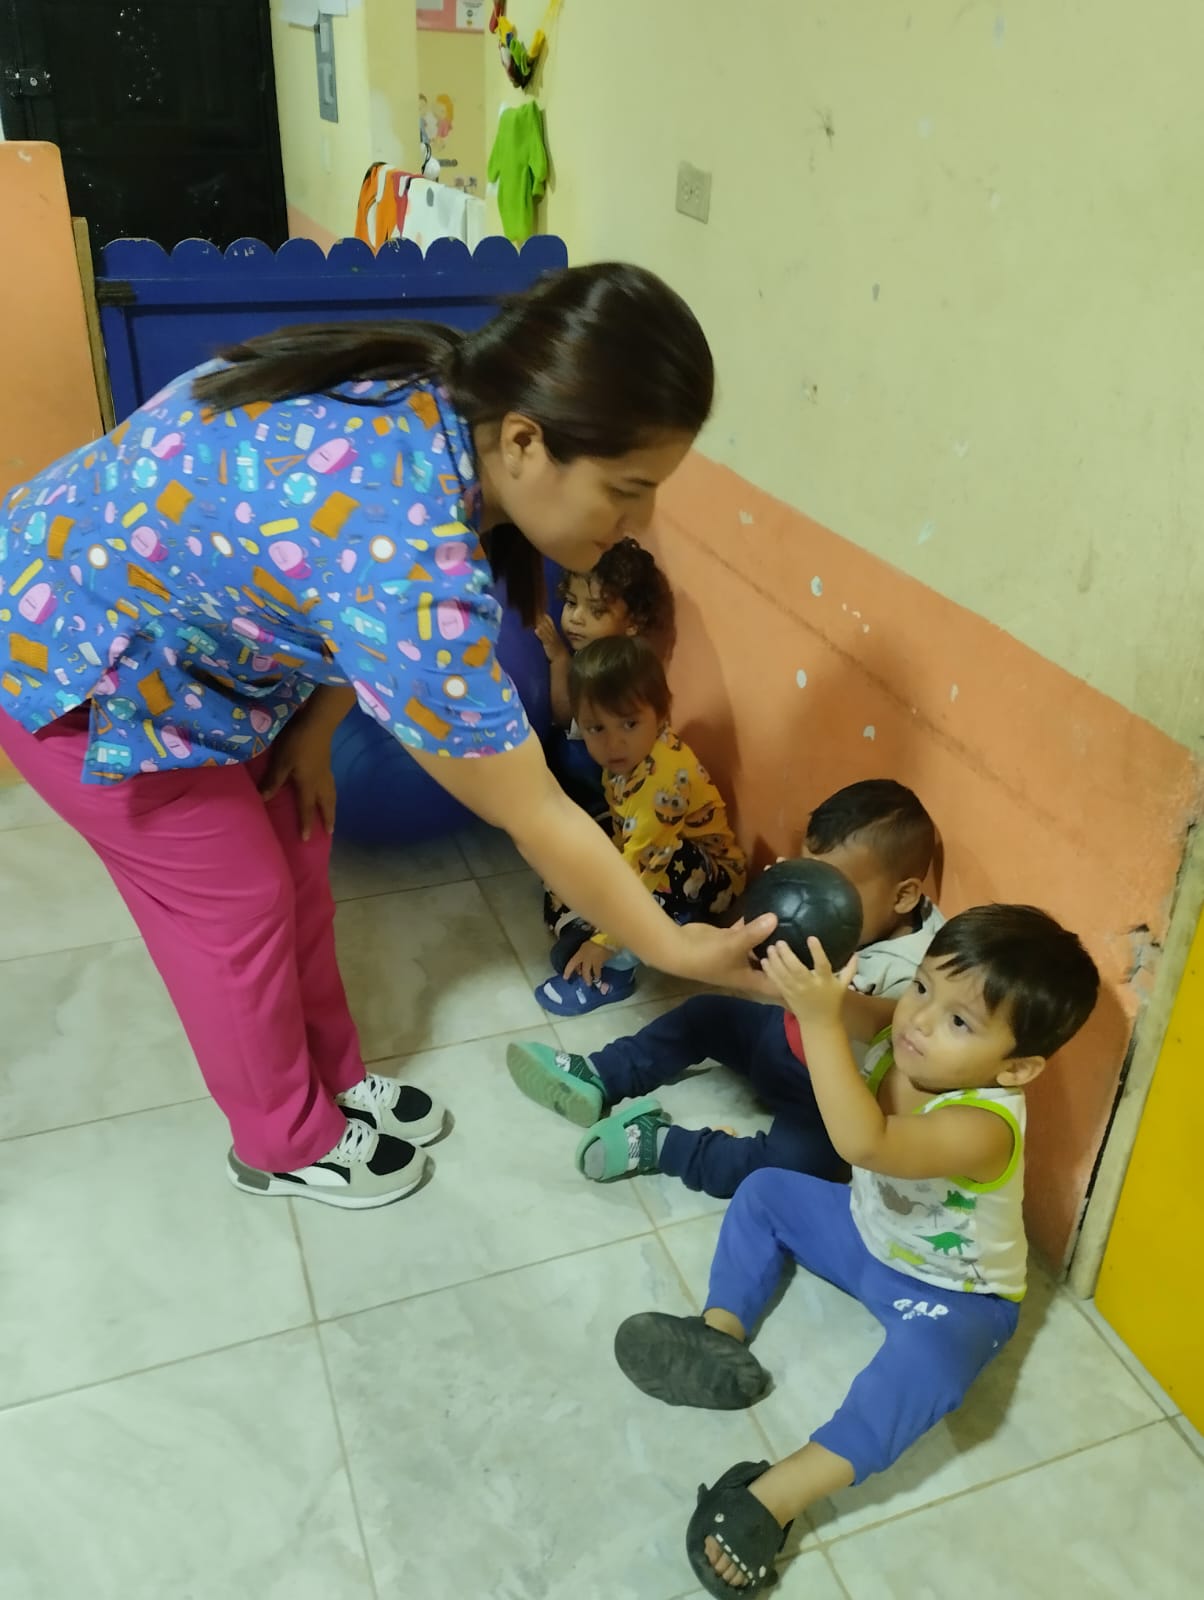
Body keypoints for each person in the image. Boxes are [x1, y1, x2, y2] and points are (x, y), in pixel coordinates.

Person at [0, 263, 776, 1211]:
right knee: (238, 905)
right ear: (525, 441)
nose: (639, 522)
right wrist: (675, 948)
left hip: (190, 648)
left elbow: (324, 577)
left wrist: (316, 728)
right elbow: (535, 810)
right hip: (73, 661)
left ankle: (331, 1080)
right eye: (627, 488)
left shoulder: (445, 395)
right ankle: (281, 1142)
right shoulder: (412, 567)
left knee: (297, 848)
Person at [612, 905, 1100, 1597]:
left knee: (924, 1374)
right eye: (923, 986)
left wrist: (821, 1026)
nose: (919, 1020)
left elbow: (864, 1142)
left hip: (955, 1296)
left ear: (1017, 1068)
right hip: (866, 1234)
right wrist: (788, 983)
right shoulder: (907, 1029)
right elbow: (843, 1009)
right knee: (766, 1191)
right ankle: (719, 1333)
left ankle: (776, 1494)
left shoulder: (984, 1125)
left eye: (960, 1022)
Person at [509, 779, 941, 1194]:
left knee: (797, 1169)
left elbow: (882, 1023)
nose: (812, 897)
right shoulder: (822, 916)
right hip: (780, 1039)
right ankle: (600, 1074)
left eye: (832, 887)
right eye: (807, 875)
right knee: (705, 1014)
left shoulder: (919, 970)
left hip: (827, 1098)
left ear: (903, 896)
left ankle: (662, 1144)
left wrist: (814, 996)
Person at [533, 636, 746, 1015]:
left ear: (661, 716)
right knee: (569, 844)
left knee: (656, 873)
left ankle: (612, 969)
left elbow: (645, 870)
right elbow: (625, 832)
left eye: (629, 724)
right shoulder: (628, 759)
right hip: (648, 850)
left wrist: (607, 942)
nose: (614, 743)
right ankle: (584, 930)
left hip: (704, 876)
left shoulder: (662, 784)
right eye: (596, 728)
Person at [534, 536, 674, 818]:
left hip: (608, 768)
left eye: (596, 610)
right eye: (571, 603)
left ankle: (598, 808)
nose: (576, 617)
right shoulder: (598, 650)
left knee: (564, 753)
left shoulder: (612, 668)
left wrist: (559, 659)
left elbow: (565, 716)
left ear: (632, 622)